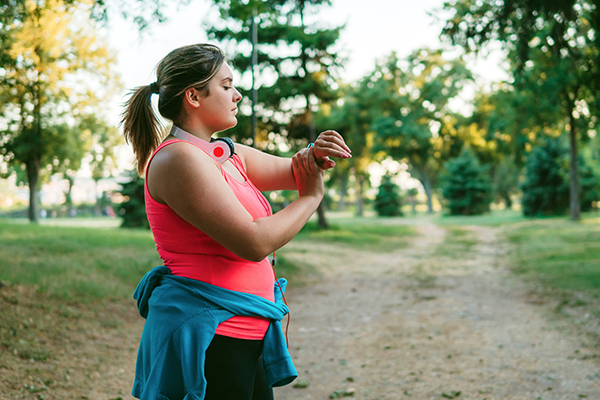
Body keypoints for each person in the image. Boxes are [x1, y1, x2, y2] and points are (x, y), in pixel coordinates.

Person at [120, 43, 351, 400]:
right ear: (194, 96)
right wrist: (310, 198)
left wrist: (315, 154)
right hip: (212, 334)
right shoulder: (179, 159)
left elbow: (293, 168)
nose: (238, 94)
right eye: (227, 86)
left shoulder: (225, 153)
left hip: (245, 330)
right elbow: (253, 243)